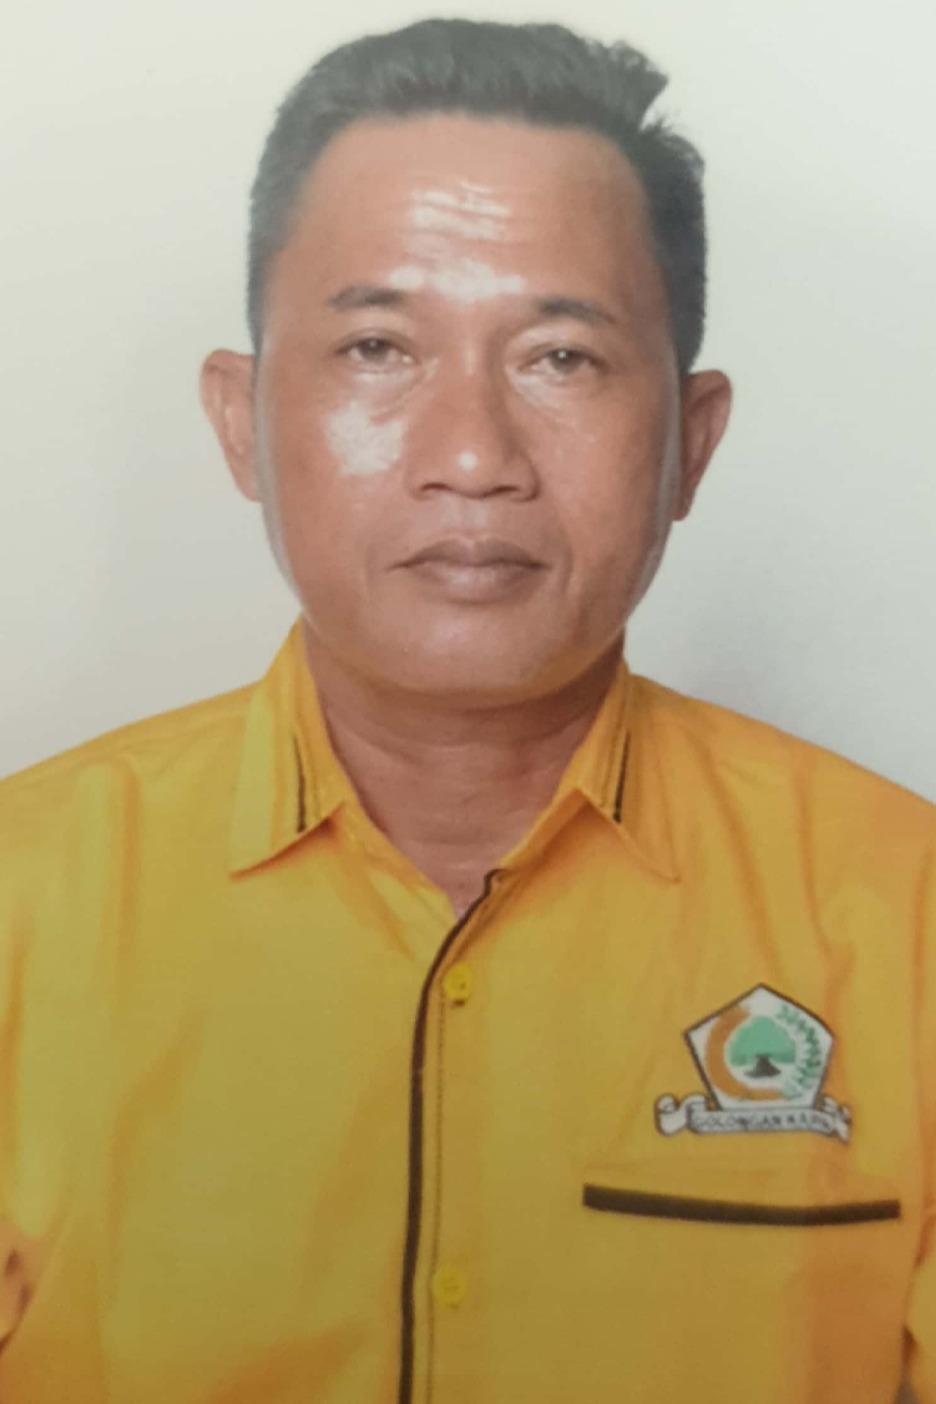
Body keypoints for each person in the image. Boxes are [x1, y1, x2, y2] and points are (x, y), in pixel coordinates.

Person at [0, 16, 931, 1403]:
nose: (474, 456)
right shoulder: (24, 900)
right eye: (379, 346)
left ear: (692, 442)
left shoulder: (905, 911)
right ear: (239, 421)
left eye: (562, 359)